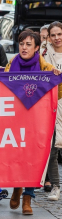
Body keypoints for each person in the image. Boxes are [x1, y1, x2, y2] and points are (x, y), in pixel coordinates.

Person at [0, 30, 62, 214]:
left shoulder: (45, 67)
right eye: (22, 44)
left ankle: (27, 198)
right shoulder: (11, 65)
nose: (24, 48)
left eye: (28, 44)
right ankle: (17, 187)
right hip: (15, 120)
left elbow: (58, 94)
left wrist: (57, 78)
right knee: (16, 156)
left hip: (36, 122)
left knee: (34, 158)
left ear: (37, 47)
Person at [41, 22, 62, 201]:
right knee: (52, 149)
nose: (57, 38)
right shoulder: (44, 55)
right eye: (53, 35)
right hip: (53, 104)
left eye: (59, 34)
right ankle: (56, 186)